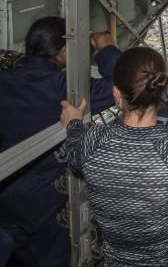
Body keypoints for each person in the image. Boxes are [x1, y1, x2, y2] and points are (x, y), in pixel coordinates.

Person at [0, 16, 120, 267]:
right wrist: (107, 48)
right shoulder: (61, 87)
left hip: (6, 192)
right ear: (64, 50)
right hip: (41, 201)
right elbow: (122, 88)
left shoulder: (6, 79)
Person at [60, 46, 168, 266]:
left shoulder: (93, 143)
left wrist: (73, 124)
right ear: (159, 91)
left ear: (116, 93)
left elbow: (74, 151)